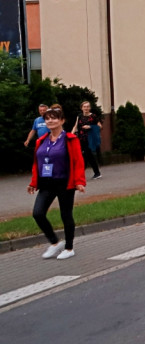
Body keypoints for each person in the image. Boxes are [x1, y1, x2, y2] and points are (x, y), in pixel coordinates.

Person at [28, 105, 86, 260]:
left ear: (62, 121)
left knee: (65, 214)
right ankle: (54, 243)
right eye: (47, 118)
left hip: (65, 182)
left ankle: (69, 247)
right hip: (47, 183)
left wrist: (79, 182)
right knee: (38, 213)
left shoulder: (70, 139)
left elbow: (78, 161)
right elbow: (37, 163)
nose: (50, 121)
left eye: (54, 118)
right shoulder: (41, 140)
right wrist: (34, 182)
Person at [72, 99, 103, 179]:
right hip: (81, 138)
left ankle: (82, 174)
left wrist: (90, 127)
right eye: (84, 107)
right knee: (87, 156)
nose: (86, 108)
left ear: (90, 108)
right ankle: (96, 173)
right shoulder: (79, 116)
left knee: (86, 155)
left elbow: (99, 126)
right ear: (81, 108)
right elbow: (75, 126)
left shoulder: (93, 116)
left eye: (88, 107)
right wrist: (71, 135)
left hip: (90, 139)